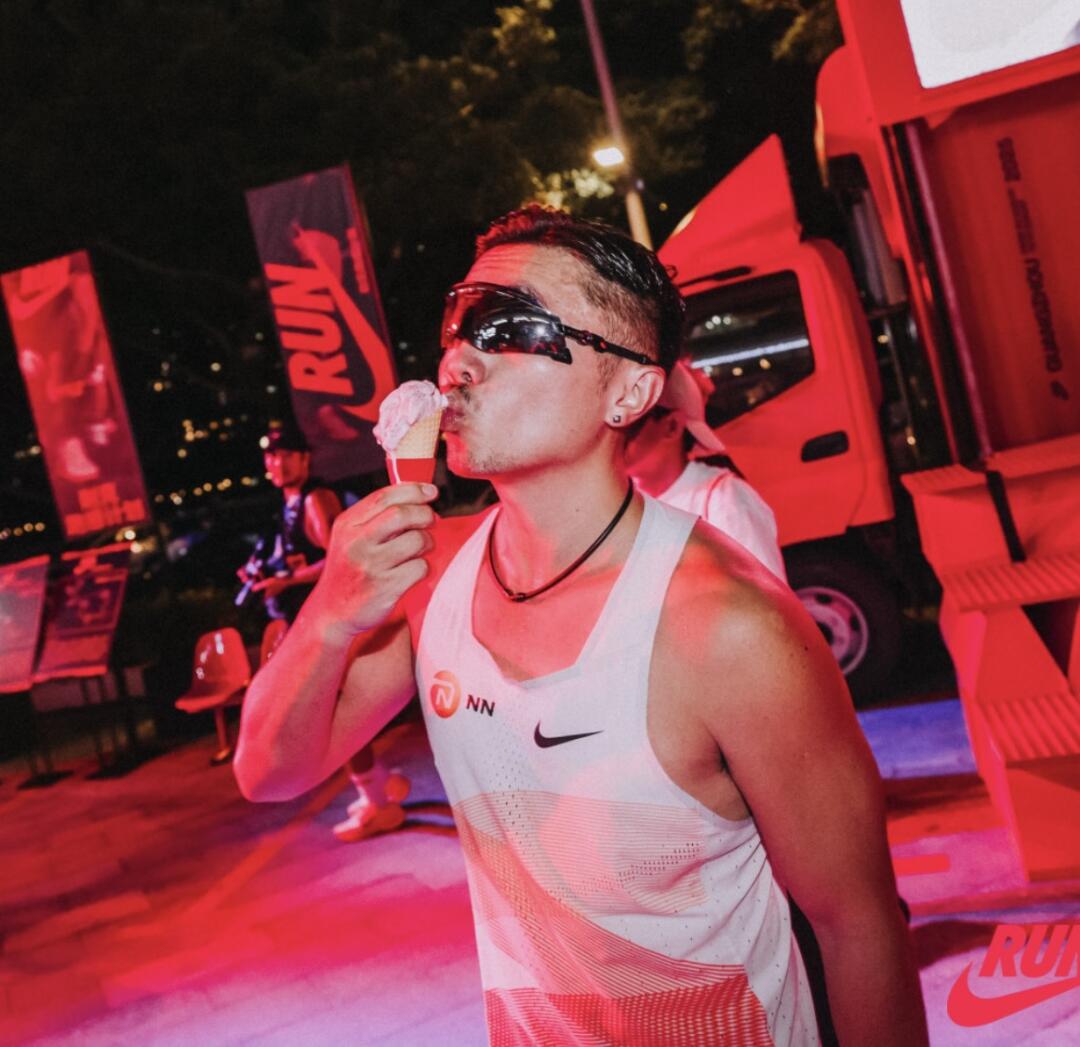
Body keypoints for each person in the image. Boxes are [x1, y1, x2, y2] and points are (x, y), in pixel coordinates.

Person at [235, 206, 927, 1046]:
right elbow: (268, 770)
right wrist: (330, 613)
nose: (457, 360)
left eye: (512, 328)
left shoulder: (729, 626)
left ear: (630, 390)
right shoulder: (432, 577)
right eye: (459, 324)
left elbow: (857, 922)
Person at [246, 420, 409, 841]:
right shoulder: (289, 504)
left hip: (328, 626)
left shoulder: (315, 499)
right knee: (330, 711)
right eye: (271, 455)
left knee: (329, 713)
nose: (277, 463)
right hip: (309, 623)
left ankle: (378, 802)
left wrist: (288, 581)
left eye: (286, 454)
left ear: (305, 459)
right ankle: (378, 784)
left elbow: (341, 559)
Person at [625, 359, 787, 581]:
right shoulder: (621, 499)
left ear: (672, 426)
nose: (615, 430)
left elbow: (766, 595)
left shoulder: (724, 500)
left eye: (632, 419)